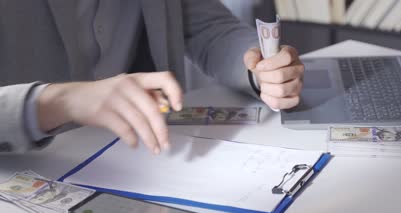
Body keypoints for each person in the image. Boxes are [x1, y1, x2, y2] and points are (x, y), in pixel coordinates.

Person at [0, 0, 304, 154]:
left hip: (146, 159)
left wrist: (260, 70)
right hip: (32, 174)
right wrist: (61, 102)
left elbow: (210, 28)